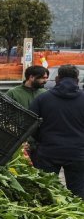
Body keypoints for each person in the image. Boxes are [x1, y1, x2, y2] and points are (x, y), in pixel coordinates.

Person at [30, 64, 84, 198]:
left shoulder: (42, 99)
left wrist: (40, 139)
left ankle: (49, 215)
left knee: (46, 190)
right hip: (78, 153)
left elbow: (30, 124)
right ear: (77, 80)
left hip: (48, 151)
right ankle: (77, 217)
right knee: (78, 192)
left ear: (58, 79)